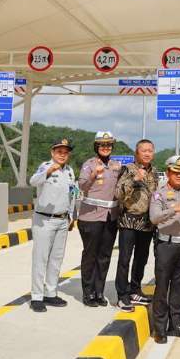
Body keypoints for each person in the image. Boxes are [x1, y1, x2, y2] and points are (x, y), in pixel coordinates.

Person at [149, 155, 180, 343]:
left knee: (179, 287)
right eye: (175, 172)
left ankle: (176, 324)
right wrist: (173, 210)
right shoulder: (159, 194)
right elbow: (154, 218)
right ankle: (160, 328)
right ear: (168, 173)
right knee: (162, 287)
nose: (179, 175)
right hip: (166, 245)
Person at [29, 138, 78, 313]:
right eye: (59, 152)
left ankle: (50, 293)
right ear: (52, 152)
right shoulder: (45, 166)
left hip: (62, 220)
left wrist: (71, 216)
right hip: (44, 220)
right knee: (40, 259)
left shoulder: (70, 171)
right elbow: (33, 181)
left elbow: (72, 194)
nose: (62, 155)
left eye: (65, 152)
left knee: (56, 259)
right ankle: (36, 296)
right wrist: (48, 172)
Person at [76, 131, 121, 307]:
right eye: (102, 145)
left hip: (110, 217)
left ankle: (99, 292)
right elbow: (82, 185)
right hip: (91, 217)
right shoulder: (89, 165)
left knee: (104, 256)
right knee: (90, 255)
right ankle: (88, 293)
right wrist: (94, 173)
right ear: (96, 146)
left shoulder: (116, 165)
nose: (105, 147)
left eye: (108, 145)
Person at [114, 139, 158, 312]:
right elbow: (118, 194)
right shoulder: (128, 169)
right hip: (129, 220)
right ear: (137, 153)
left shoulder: (154, 172)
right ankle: (122, 296)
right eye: (143, 150)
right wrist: (134, 179)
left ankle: (135, 290)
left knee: (141, 259)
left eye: (150, 150)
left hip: (147, 222)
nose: (147, 153)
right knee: (125, 259)